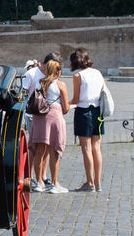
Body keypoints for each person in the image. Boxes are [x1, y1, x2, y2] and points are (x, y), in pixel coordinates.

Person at [29, 56, 70, 193]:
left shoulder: (40, 83)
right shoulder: (60, 85)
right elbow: (66, 107)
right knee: (54, 151)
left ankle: (39, 181)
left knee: (39, 151)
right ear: (57, 71)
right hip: (54, 116)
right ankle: (54, 183)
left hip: (39, 117)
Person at [70, 48, 106, 193]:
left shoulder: (78, 76)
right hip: (98, 111)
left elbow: (76, 99)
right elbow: (104, 91)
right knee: (96, 148)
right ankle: (98, 182)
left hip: (84, 112)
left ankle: (89, 182)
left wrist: (64, 103)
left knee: (86, 149)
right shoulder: (97, 73)